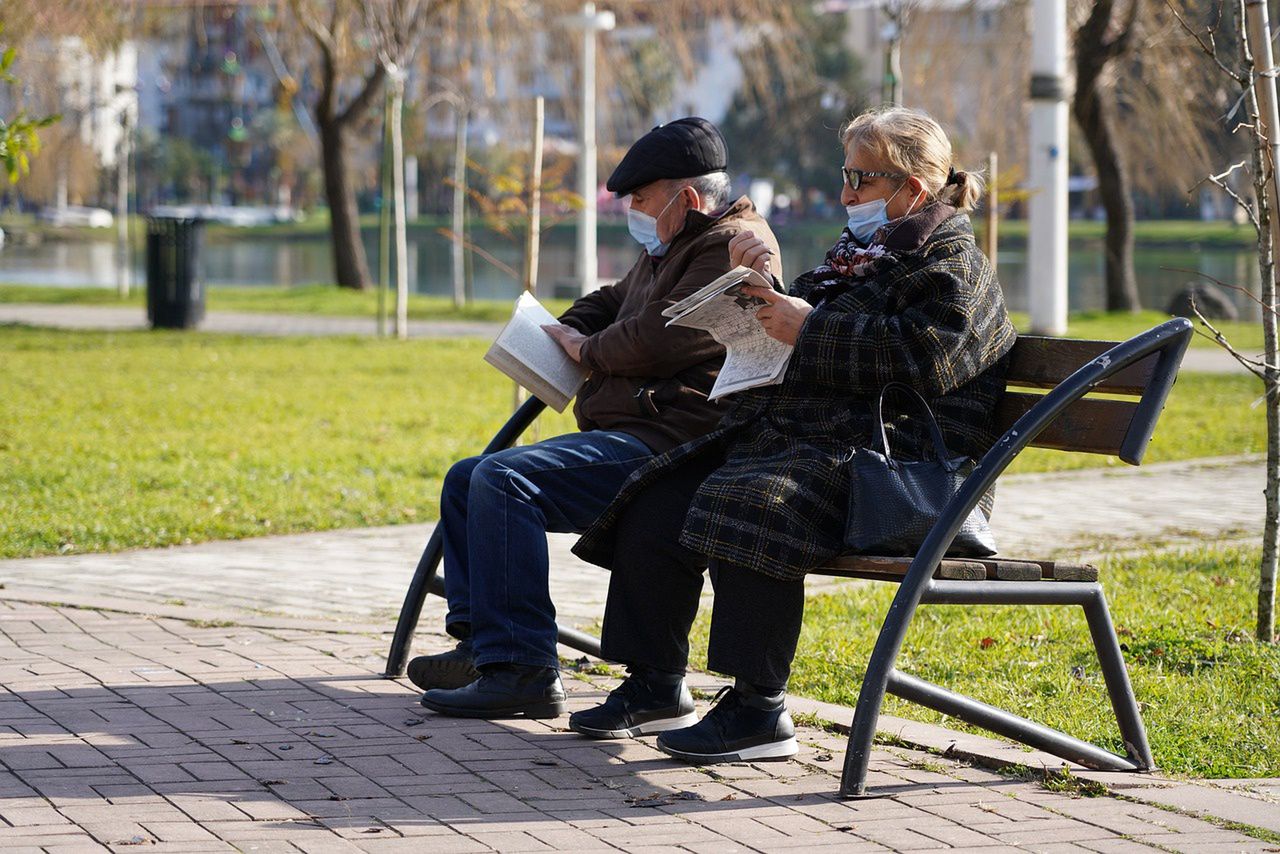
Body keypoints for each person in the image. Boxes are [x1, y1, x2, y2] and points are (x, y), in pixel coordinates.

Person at [566, 106, 1018, 759]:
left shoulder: (954, 265)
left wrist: (805, 326)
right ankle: (653, 683)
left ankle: (759, 709)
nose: (845, 195)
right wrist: (757, 292)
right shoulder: (857, 255)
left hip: (897, 466)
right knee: (660, 491)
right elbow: (793, 325)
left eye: (862, 180)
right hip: (822, 442)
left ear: (912, 190)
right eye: (846, 174)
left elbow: (925, 359)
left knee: (750, 500)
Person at [413, 117, 783, 720]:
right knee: (467, 476)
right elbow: (613, 301)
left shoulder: (730, 245)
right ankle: (484, 643)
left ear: (685, 198)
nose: (632, 212)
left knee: (507, 480)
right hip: (636, 431)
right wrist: (568, 327)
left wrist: (588, 351)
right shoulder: (674, 242)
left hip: (673, 440)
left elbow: (666, 335)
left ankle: (523, 669)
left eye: (640, 200)